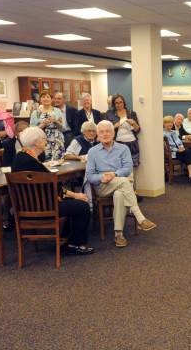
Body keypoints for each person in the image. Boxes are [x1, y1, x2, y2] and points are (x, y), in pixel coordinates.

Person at [11, 127, 94, 256]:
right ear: (36, 142)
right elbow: (55, 188)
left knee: (71, 201)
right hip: (43, 208)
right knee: (82, 206)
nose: (46, 142)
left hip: (27, 207)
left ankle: (64, 237)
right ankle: (74, 244)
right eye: (44, 139)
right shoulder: (33, 163)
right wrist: (76, 195)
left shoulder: (20, 158)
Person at [86, 120, 156, 248]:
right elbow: (90, 176)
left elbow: (128, 168)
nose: (105, 134)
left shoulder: (123, 148)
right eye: (101, 132)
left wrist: (114, 174)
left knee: (119, 194)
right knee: (124, 182)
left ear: (113, 133)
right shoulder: (93, 152)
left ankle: (118, 235)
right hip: (103, 186)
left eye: (108, 131)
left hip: (120, 182)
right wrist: (102, 177)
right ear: (97, 135)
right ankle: (140, 218)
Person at [163, 115, 191, 184]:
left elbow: (179, 142)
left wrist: (181, 147)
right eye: (167, 123)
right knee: (189, 153)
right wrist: (177, 150)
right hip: (172, 153)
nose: (169, 124)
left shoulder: (173, 132)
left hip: (181, 152)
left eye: (171, 123)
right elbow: (166, 147)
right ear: (164, 124)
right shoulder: (162, 133)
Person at [105, 94, 141, 167]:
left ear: (124, 102)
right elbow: (106, 129)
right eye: (116, 103)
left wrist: (133, 123)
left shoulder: (131, 113)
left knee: (131, 166)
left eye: (120, 102)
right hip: (117, 143)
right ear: (113, 104)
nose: (119, 104)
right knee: (117, 166)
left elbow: (138, 130)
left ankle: (130, 179)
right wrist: (115, 125)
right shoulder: (109, 113)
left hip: (132, 143)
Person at [30, 91, 64, 161]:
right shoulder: (35, 113)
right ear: (40, 100)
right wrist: (42, 125)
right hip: (42, 142)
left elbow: (62, 127)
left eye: (48, 97)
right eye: (43, 97)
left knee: (58, 161)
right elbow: (32, 130)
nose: (46, 99)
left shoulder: (57, 110)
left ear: (51, 99)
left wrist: (55, 121)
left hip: (57, 140)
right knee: (46, 161)